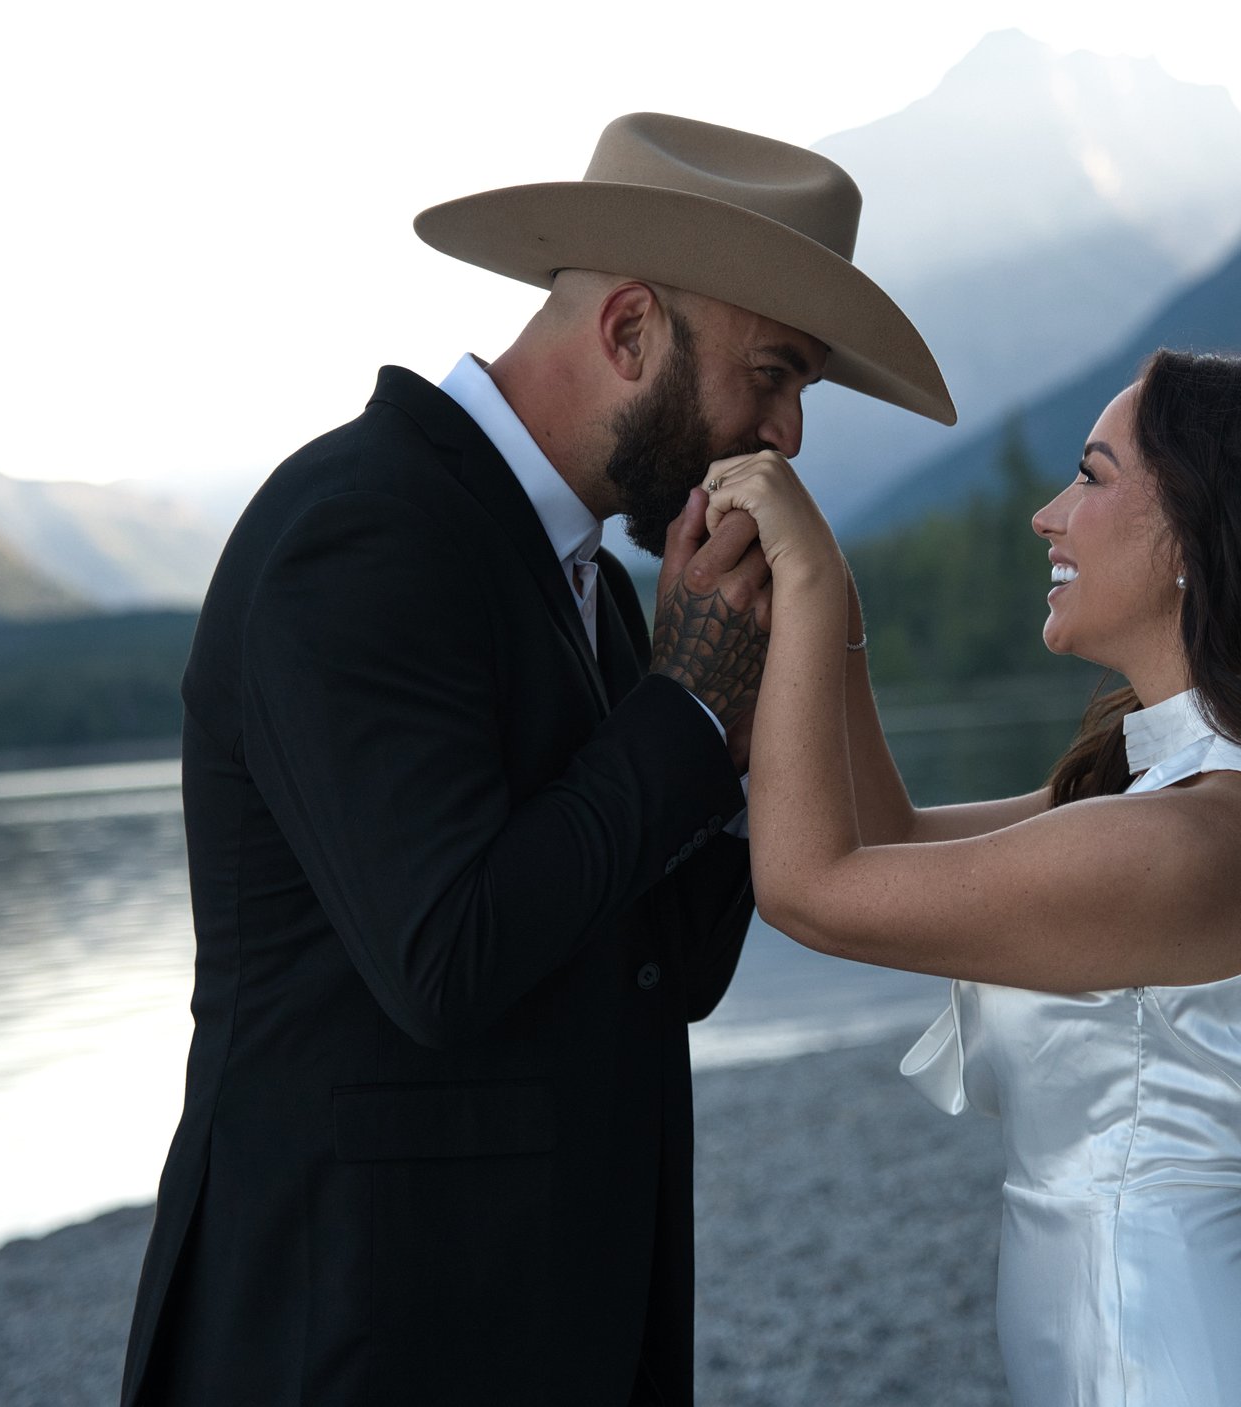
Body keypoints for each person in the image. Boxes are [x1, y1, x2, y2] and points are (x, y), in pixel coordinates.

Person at [118, 112, 953, 1406]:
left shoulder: (598, 588)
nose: (787, 433)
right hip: (352, 1340)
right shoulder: (365, 528)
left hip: (540, 1326)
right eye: (774, 373)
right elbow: (446, 954)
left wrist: (735, 731)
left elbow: (669, 966)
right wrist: (685, 708)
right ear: (629, 331)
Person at [698, 348, 1241, 1406]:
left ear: (1197, 539)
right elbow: (891, 840)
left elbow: (810, 888)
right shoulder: (1169, 791)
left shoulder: (1200, 837)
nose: (1047, 515)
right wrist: (841, 623)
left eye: (1091, 476)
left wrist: (807, 585)